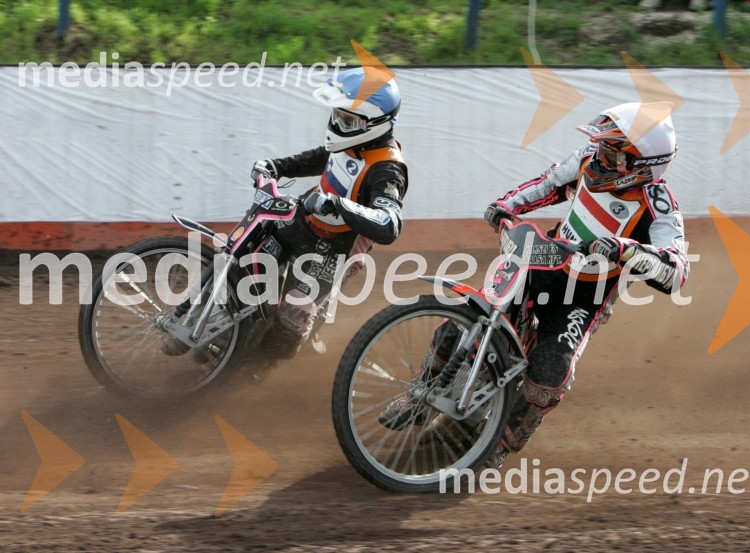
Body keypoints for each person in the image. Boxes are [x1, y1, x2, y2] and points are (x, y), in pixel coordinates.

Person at [379, 102, 689, 470]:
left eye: (612, 152)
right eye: (603, 147)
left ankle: (510, 434)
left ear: (639, 166)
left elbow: (677, 268)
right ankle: (421, 392)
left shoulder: (658, 204)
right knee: (462, 323)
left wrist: (624, 248)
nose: (602, 157)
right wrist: (505, 206)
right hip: (546, 258)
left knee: (549, 369)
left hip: (584, 297)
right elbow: (548, 183)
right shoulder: (589, 159)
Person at [249, 67, 408, 374]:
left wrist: (336, 203)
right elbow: (321, 157)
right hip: (305, 220)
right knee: (250, 254)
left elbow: (389, 223)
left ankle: (256, 368)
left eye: (348, 120)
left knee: (289, 322)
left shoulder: (388, 169)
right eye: (337, 115)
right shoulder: (349, 141)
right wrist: (275, 166)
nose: (338, 124)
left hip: (336, 249)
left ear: (374, 123)